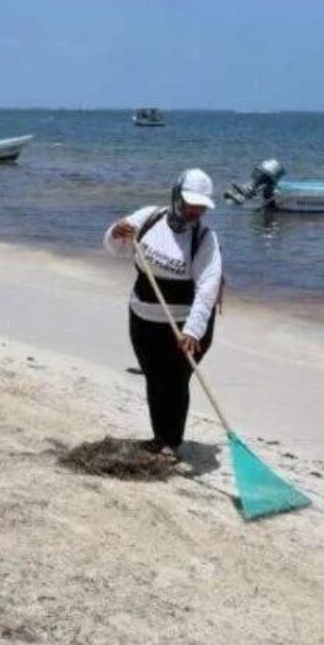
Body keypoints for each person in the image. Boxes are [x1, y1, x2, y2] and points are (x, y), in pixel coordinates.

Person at [104, 169, 223, 459]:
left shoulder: (204, 239)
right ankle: (159, 437)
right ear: (175, 196)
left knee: (176, 380)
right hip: (143, 318)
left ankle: (172, 441)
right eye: (189, 203)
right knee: (155, 378)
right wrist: (115, 232)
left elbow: (208, 287)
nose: (194, 210)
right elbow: (116, 248)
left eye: (201, 206)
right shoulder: (150, 217)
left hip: (185, 326)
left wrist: (193, 330)